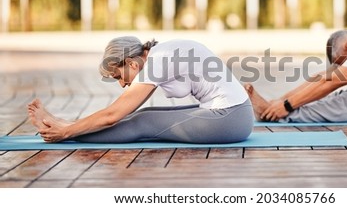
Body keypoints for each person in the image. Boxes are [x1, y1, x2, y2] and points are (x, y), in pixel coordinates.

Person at [28, 36, 255, 143]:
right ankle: (66, 125)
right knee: (143, 115)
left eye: (119, 76)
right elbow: (121, 111)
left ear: (132, 64)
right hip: (234, 115)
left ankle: (66, 131)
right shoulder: (161, 54)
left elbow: (112, 115)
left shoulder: (158, 61)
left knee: (142, 123)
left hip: (230, 118)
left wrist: (67, 134)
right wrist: (71, 126)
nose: (122, 84)